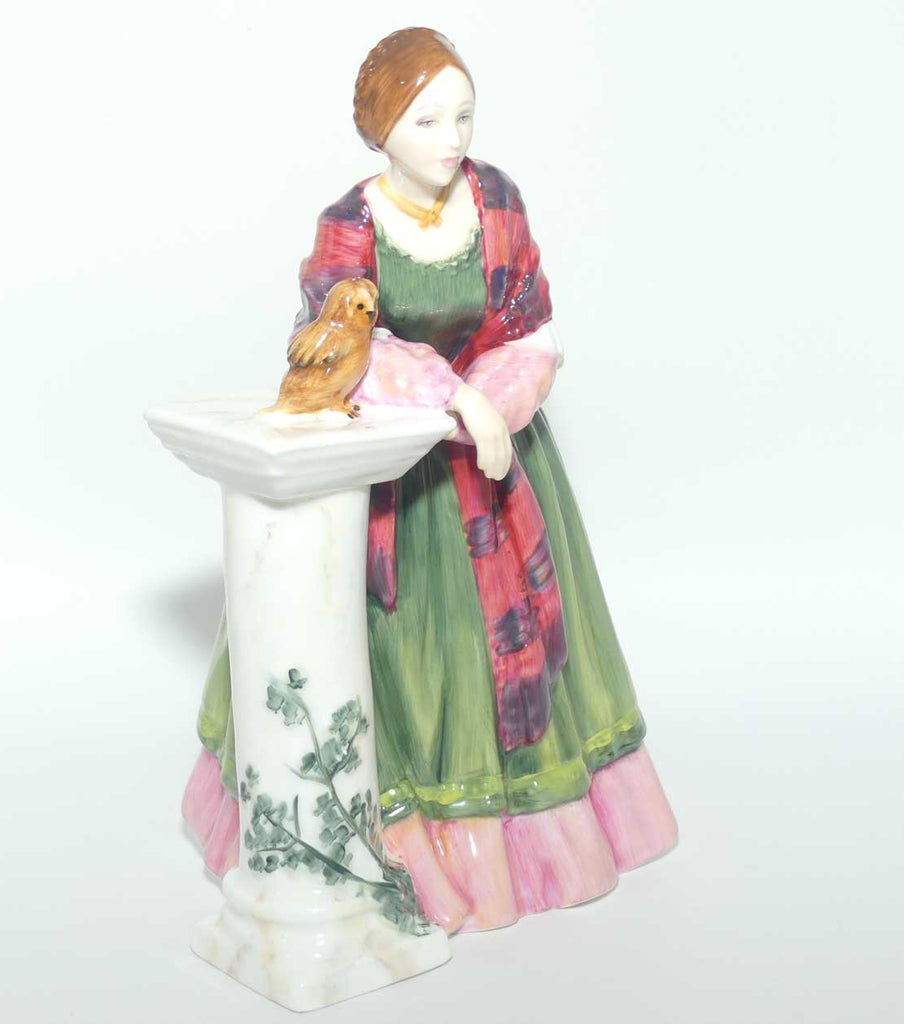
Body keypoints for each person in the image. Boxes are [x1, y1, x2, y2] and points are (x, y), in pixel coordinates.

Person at [182, 27, 677, 933]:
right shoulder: (350, 223)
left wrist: (498, 404)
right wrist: (455, 400)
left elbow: (530, 328)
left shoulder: (496, 201)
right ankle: (395, 838)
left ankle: (525, 841)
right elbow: (340, 346)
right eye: (426, 120)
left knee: (508, 649)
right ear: (381, 127)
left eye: (463, 116)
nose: (451, 138)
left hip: (498, 464)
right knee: (404, 651)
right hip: (397, 473)